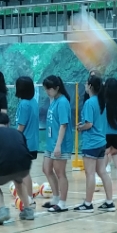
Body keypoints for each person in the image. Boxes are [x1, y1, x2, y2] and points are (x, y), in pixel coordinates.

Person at [76, 74, 114, 213]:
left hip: (91, 142)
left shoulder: (89, 102)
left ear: (90, 86)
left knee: (90, 174)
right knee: (102, 172)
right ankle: (110, 202)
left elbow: (89, 124)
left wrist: (80, 127)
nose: (85, 86)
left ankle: (88, 204)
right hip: (101, 142)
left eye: (86, 84)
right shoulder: (101, 101)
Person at [42, 75, 73, 213]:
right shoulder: (54, 101)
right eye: (46, 89)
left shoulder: (63, 102)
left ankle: (62, 203)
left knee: (60, 173)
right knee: (46, 169)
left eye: (49, 89)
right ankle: (55, 197)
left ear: (57, 88)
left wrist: (58, 145)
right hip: (51, 141)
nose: (47, 91)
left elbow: (63, 125)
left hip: (60, 143)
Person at [15, 76, 39, 203]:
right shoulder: (33, 102)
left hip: (24, 143)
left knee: (24, 173)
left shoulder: (24, 104)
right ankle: (28, 198)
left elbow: (21, 126)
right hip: (32, 142)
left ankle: (29, 199)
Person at [103, 78, 117, 180]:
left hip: (106, 131)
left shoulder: (103, 101)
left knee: (105, 152)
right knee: (116, 152)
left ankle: (102, 171)